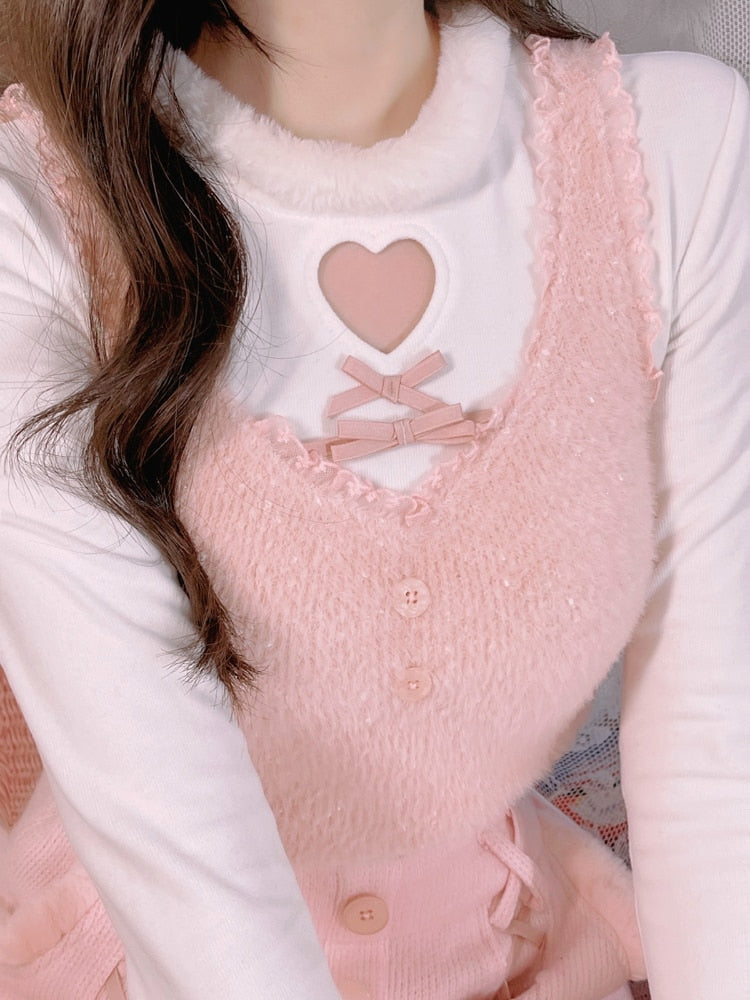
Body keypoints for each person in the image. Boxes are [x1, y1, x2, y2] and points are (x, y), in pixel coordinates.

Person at [0, 1, 748, 999]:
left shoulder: (671, 151)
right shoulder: (37, 220)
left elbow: (712, 748)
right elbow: (183, 862)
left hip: (511, 931)